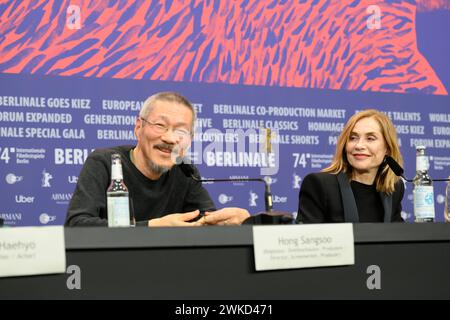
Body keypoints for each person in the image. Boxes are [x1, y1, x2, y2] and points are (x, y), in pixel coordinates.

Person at [66, 92, 250, 227]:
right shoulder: (106, 163)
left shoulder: (185, 171)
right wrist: (153, 226)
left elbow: (205, 220)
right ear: (139, 127)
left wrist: (235, 221)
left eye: (181, 131)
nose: (170, 138)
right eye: (160, 125)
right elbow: (77, 225)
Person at [297, 109, 404, 223]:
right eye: (353, 138)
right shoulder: (319, 184)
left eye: (370, 138)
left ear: (387, 148)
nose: (359, 145)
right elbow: (309, 238)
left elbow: (396, 235)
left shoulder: (394, 188)